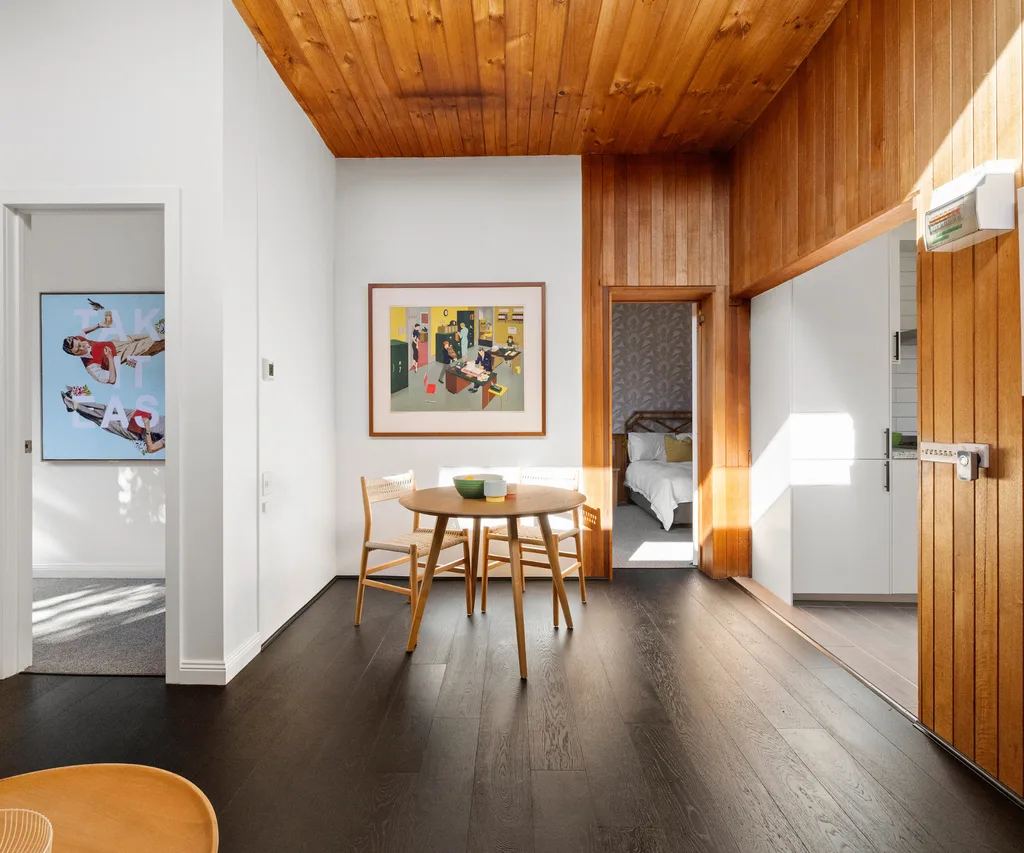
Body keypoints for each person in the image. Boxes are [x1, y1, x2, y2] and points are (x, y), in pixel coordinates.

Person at [62, 316, 165, 384]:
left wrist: (99, 325)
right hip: (120, 355)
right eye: (78, 350)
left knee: (152, 338)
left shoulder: (79, 339)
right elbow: (112, 380)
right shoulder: (90, 366)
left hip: (117, 342)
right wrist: (110, 358)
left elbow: (83, 331)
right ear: (74, 354)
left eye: (80, 344)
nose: (82, 347)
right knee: (152, 342)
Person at [61, 389, 166, 455]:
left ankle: (73, 405)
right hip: (139, 416)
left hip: (137, 431)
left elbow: (151, 449)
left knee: (103, 421)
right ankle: (74, 400)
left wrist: (147, 427)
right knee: (105, 409)